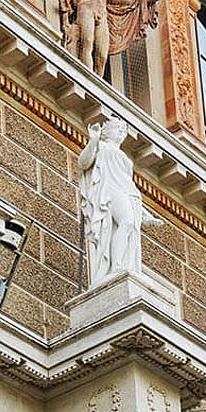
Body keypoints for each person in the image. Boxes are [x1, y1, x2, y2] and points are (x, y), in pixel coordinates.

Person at [77, 110, 150, 285]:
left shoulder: (123, 156)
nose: (121, 130)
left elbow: (128, 183)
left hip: (128, 194)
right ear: (106, 131)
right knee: (126, 222)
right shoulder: (102, 146)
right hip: (109, 191)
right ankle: (116, 265)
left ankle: (122, 264)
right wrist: (94, 139)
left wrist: (145, 213)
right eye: (117, 127)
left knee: (130, 225)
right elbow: (83, 163)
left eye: (123, 128)